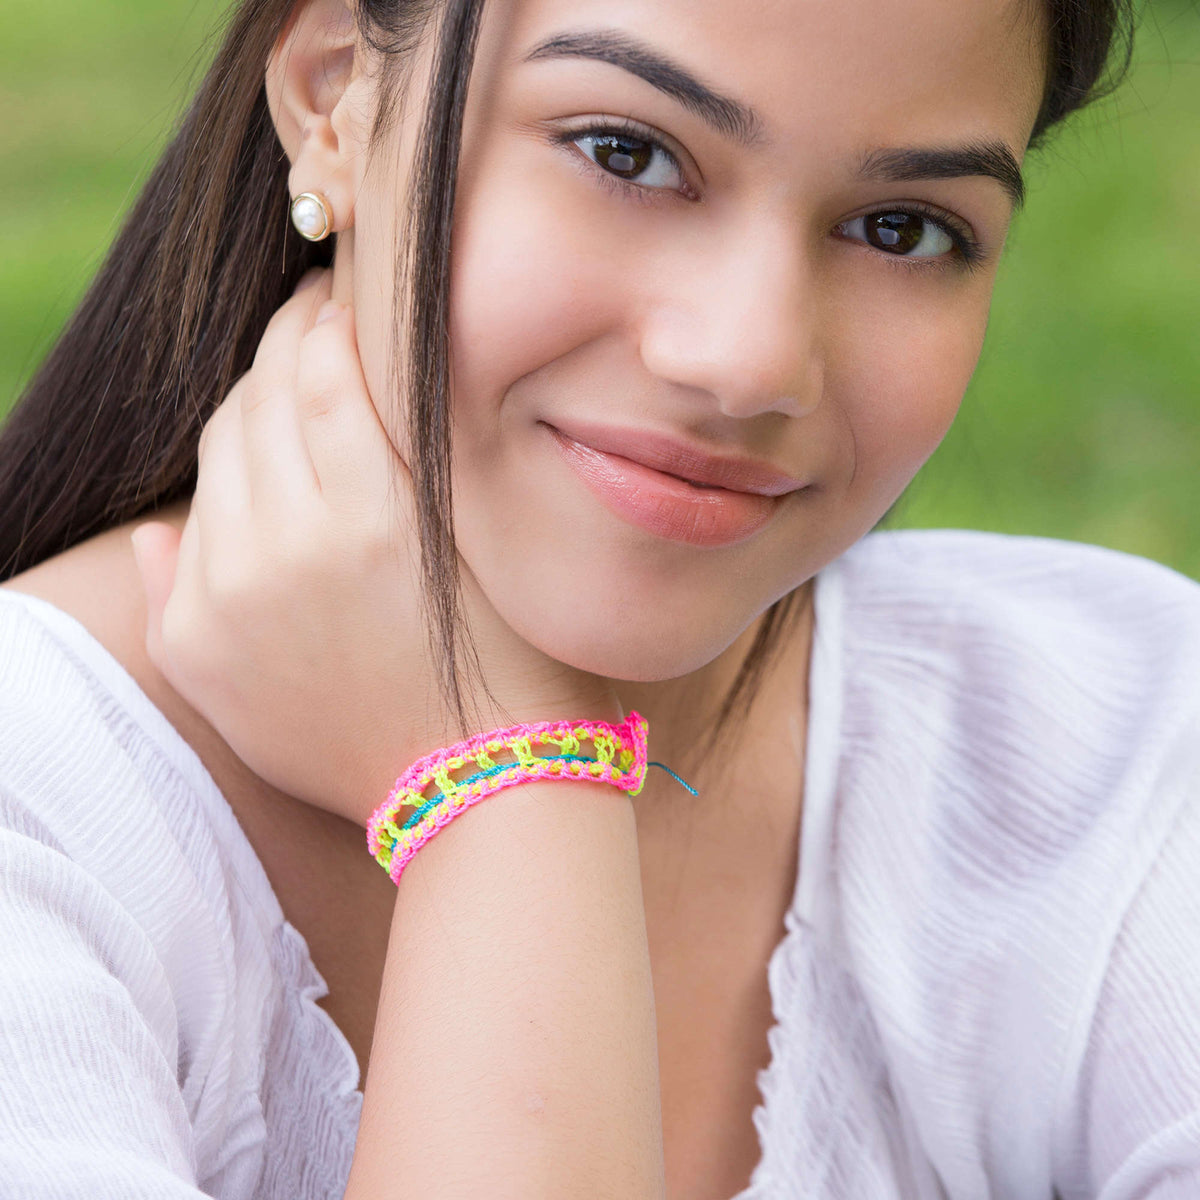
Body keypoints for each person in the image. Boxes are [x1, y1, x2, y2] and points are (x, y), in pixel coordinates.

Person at [1, 0, 1197, 1196]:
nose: (751, 358)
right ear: (330, 95)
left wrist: (496, 776)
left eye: (903, 228)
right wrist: (506, 788)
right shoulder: (41, 822)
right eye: (627, 153)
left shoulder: (1113, 743)